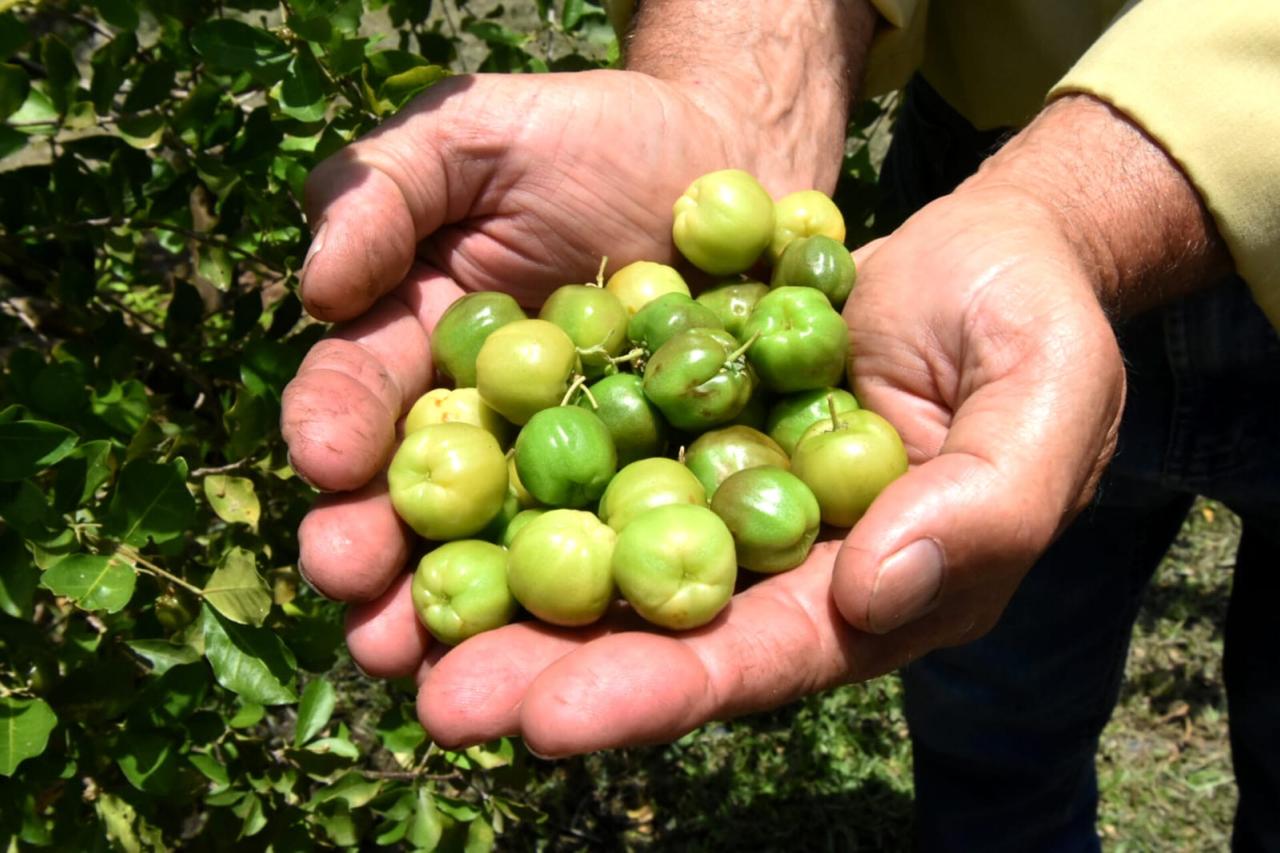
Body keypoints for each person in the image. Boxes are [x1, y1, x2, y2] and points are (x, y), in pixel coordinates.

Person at [280, 1, 1280, 848]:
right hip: (976, 173)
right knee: (990, 705)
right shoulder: (677, 379)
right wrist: (742, 66)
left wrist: (1081, 199)